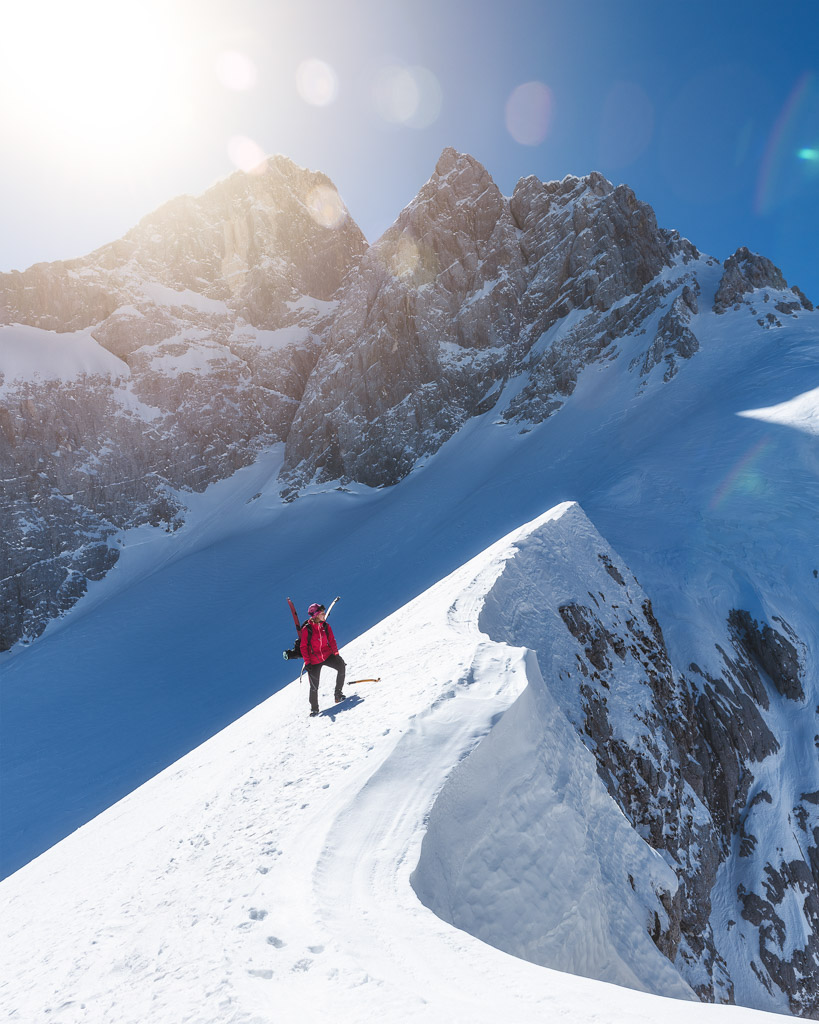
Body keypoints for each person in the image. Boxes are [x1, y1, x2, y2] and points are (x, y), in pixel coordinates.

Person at [301, 602, 346, 716]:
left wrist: (336, 654)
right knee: (314, 686)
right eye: (322, 613)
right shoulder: (307, 629)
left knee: (341, 666)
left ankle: (338, 694)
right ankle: (314, 709)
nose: (324, 615)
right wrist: (307, 662)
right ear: (315, 615)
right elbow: (303, 647)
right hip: (314, 661)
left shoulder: (326, 626)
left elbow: (332, 640)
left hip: (327, 655)